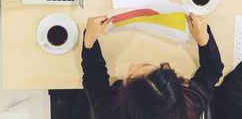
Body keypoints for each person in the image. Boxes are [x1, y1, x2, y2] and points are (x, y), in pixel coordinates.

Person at [81, 13, 224, 118]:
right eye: (147, 65)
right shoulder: (188, 107)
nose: (132, 65)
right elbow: (213, 69)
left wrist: (89, 41)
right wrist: (203, 39)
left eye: (130, 76)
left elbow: (93, 74)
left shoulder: (107, 111)